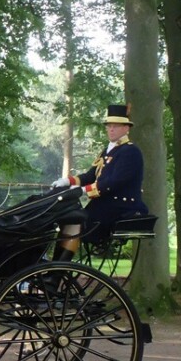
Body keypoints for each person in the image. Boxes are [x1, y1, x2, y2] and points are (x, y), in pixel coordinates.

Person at [52, 103, 149, 251]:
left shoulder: (130, 152)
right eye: (109, 125)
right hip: (104, 205)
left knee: (73, 220)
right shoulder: (108, 151)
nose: (111, 129)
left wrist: (83, 191)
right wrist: (68, 181)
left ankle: (59, 269)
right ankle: (58, 267)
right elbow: (91, 175)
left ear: (126, 128)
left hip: (120, 208)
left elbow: (113, 182)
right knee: (66, 217)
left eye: (116, 126)